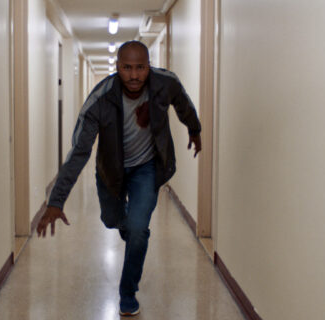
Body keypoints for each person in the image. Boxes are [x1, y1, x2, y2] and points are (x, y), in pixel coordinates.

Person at [35, 40, 202, 317]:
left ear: (149, 66)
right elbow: (79, 152)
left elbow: (183, 103)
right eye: (127, 68)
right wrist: (56, 201)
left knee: (138, 231)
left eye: (140, 68)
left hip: (147, 168)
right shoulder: (100, 100)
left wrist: (194, 130)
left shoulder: (165, 83)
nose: (134, 75)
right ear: (117, 67)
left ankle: (127, 292)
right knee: (111, 220)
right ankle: (125, 224)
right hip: (110, 171)